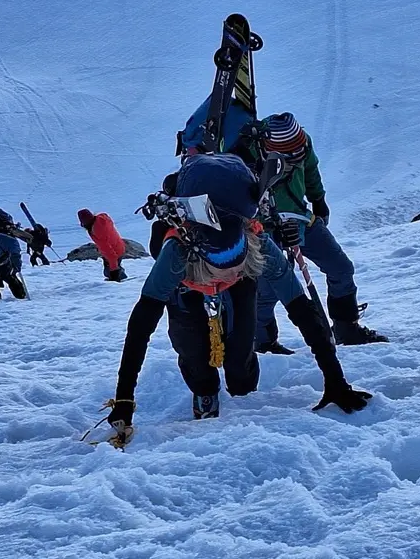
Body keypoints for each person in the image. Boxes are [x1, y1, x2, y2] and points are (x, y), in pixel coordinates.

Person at [97, 153, 371, 448]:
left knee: (241, 348)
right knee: (192, 349)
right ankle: (204, 389)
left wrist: (335, 379)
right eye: (220, 270)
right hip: (189, 284)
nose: (226, 274)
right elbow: (140, 327)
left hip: (240, 273)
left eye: (233, 268)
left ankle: (242, 392)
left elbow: (302, 310)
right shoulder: (176, 253)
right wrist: (124, 399)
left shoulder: (259, 244)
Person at [232, 112, 387, 351]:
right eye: (289, 156)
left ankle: (346, 326)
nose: (297, 157)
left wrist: (318, 200)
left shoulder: (300, 140)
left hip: (301, 218)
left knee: (341, 267)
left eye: (299, 151)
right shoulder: (244, 154)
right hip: (263, 227)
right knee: (268, 290)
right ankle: (262, 342)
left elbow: (311, 169)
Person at [77, 209, 128, 282]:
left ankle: (119, 279)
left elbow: (109, 251)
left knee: (110, 272)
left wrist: (114, 270)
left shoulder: (96, 231)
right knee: (113, 268)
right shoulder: (101, 218)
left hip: (114, 252)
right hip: (119, 246)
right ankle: (119, 274)